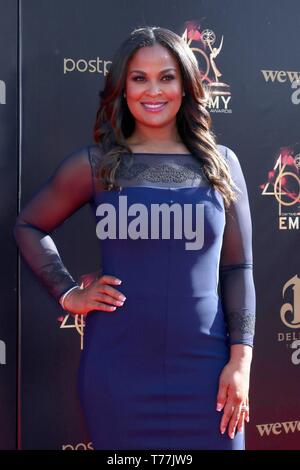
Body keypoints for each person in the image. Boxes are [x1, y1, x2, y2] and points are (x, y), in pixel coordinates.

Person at [13, 26, 256, 450]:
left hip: (208, 373)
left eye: (166, 76)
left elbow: (238, 269)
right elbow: (29, 226)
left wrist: (241, 362)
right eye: (139, 78)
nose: (153, 90)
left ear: (186, 84)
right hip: (118, 374)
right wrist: (68, 293)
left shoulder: (222, 165)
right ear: (122, 89)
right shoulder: (96, 165)